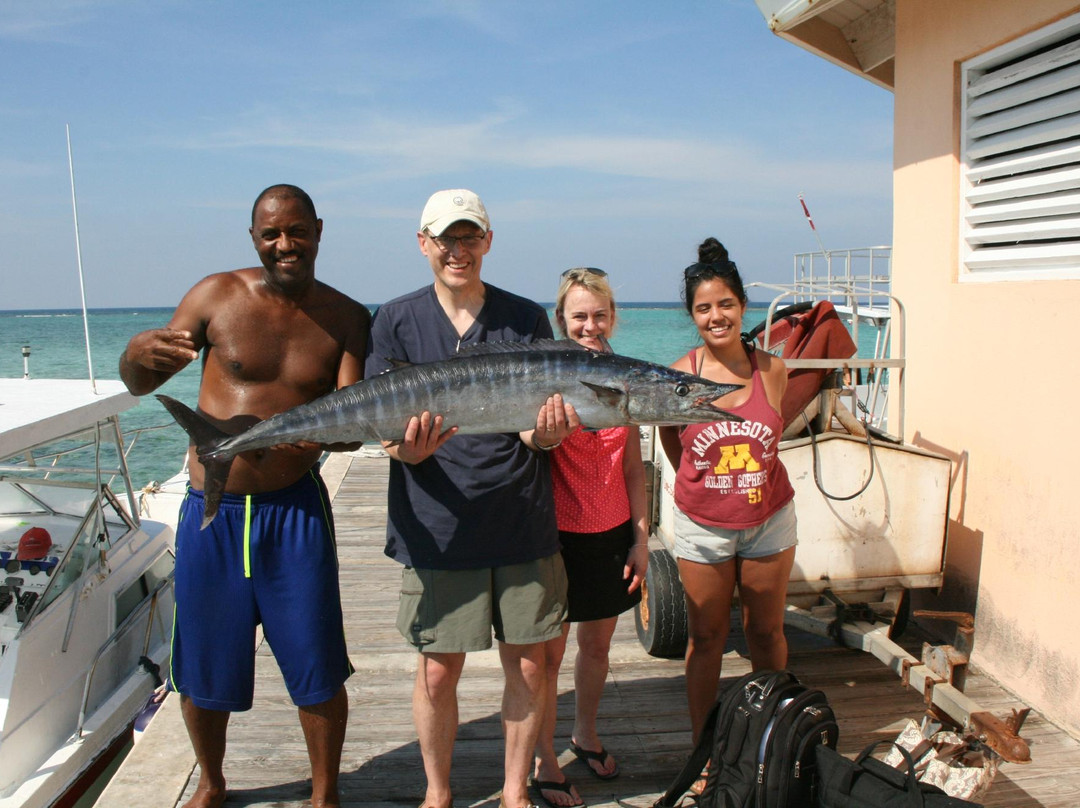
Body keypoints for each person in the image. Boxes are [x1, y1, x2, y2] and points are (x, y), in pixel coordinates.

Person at [118, 184, 371, 808]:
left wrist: (317, 441)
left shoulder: (346, 316)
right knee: (203, 664)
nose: (285, 244)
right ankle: (211, 781)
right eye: (271, 234)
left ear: (318, 230)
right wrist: (133, 353)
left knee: (316, 662)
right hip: (213, 515)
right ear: (254, 238)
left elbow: (350, 421)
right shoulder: (215, 296)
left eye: (297, 231)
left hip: (295, 511)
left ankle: (325, 793)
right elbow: (143, 380)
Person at [364, 189, 579, 808]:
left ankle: (514, 793)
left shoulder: (524, 317)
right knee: (437, 668)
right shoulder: (396, 320)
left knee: (532, 665)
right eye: (446, 239)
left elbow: (532, 426)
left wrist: (544, 436)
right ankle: (438, 793)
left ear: (488, 241)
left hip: (519, 515)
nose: (458, 251)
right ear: (423, 243)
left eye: (470, 238)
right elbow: (385, 426)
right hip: (436, 522)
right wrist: (408, 451)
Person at [657, 238, 797, 750]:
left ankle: (769, 742)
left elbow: (776, 436)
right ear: (692, 315)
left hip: (770, 521)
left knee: (766, 635)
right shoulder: (678, 375)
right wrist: (707, 487)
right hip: (704, 526)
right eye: (703, 308)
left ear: (742, 306)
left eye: (726, 304)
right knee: (707, 639)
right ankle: (704, 749)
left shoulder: (773, 371)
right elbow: (672, 439)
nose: (716, 316)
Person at [530, 268, 650, 808]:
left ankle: (584, 733)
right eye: (579, 316)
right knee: (547, 659)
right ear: (562, 320)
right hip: (557, 535)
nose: (590, 325)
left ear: (612, 318)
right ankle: (544, 760)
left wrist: (641, 538)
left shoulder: (629, 377)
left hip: (612, 532)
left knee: (597, 647)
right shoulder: (543, 372)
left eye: (599, 315)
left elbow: (633, 469)